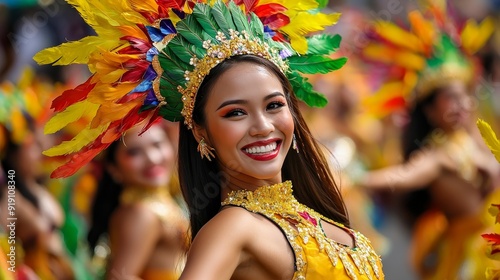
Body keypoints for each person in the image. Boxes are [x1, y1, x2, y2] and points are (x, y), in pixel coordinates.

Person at [35, 0, 384, 279]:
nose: (262, 126)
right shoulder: (232, 227)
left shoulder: (316, 213)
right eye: (235, 112)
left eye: (274, 105)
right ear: (201, 132)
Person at [359, 3, 500, 279]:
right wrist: (353, 178)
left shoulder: (475, 135)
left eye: (464, 97)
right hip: (474, 256)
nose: (461, 106)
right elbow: (401, 176)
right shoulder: (437, 156)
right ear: (431, 110)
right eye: (451, 99)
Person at [87, 122, 188, 280]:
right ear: (114, 169)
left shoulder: (159, 203)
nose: (152, 158)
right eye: (134, 152)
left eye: (157, 144)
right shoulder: (140, 214)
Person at [0, 77, 74, 279]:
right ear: (10, 153)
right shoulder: (10, 195)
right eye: (31, 144)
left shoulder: (33, 186)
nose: (40, 149)